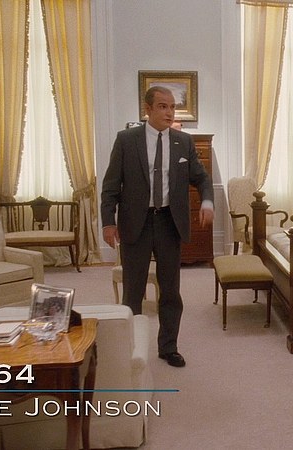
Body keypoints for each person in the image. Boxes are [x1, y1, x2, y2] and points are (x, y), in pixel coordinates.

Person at [101, 85, 214, 368]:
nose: (169, 112)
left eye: (172, 107)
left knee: (170, 291)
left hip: (169, 223)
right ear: (148, 109)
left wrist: (207, 201)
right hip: (135, 224)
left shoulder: (183, 142)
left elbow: (202, 178)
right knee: (133, 290)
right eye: (163, 106)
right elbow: (111, 185)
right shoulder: (127, 140)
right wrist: (108, 222)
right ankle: (130, 346)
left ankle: (168, 347)